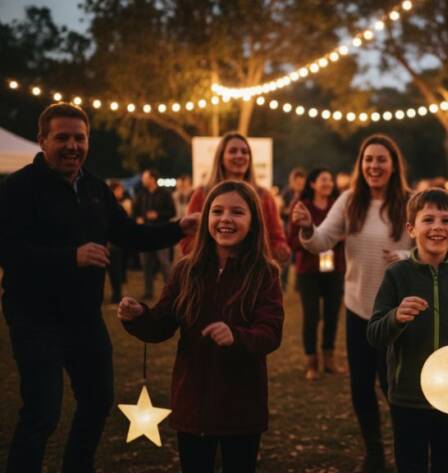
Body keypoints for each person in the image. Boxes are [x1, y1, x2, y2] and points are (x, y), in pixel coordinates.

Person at [0, 103, 198, 473]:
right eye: (63, 137)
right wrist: (69, 257)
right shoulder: (19, 187)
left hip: (84, 318)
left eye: (80, 138)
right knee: (42, 411)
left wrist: (178, 228)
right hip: (34, 318)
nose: (73, 145)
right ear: (42, 140)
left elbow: (129, 234)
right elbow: (9, 251)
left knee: (97, 401)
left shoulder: (94, 187)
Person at [118, 180, 283, 473]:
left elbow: (270, 333)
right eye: (217, 211)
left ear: (254, 221)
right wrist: (138, 316)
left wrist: (237, 336)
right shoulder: (186, 270)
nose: (225, 219)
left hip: (241, 407)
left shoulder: (264, 273)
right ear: (206, 218)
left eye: (237, 212)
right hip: (193, 402)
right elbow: (161, 324)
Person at [291, 134, 412, 473]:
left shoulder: (410, 202)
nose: (374, 165)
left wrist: (403, 256)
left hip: (399, 313)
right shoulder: (349, 201)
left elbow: (431, 251)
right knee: (361, 385)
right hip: (359, 308)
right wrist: (306, 229)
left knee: (394, 386)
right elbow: (321, 241)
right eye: (368, 159)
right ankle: (374, 452)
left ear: (393, 165)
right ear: (361, 165)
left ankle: (409, 449)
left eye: (381, 159)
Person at [368, 189, 448, 473]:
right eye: (428, 219)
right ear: (411, 229)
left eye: (446, 220)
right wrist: (396, 318)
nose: (437, 227)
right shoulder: (396, 275)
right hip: (407, 397)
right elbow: (374, 334)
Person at [180, 131, 289, 264]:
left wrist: (281, 250)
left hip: (253, 273)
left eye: (245, 152)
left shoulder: (264, 196)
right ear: (221, 157)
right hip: (212, 273)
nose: (240, 155)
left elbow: (276, 238)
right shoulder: (202, 194)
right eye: (233, 151)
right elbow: (187, 241)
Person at [288, 167, 346, 381]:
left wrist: (340, 239)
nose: (328, 183)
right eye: (323, 180)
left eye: (330, 180)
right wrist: (315, 240)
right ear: (312, 184)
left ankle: (329, 359)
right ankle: (311, 361)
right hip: (309, 271)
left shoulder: (338, 207)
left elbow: (351, 233)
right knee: (311, 316)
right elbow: (292, 241)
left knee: (332, 315)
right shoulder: (302, 207)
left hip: (335, 269)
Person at [134, 169, 176, 299]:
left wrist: (157, 215)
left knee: (164, 264)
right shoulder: (141, 194)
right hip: (145, 234)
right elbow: (135, 212)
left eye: (145, 177)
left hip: (161, 233)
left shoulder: (165, 194)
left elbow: (172, 212)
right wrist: (138, 218)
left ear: (152, 179)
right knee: (146, 264)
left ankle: (170, 293)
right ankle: (148, 292)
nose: (142, 180)